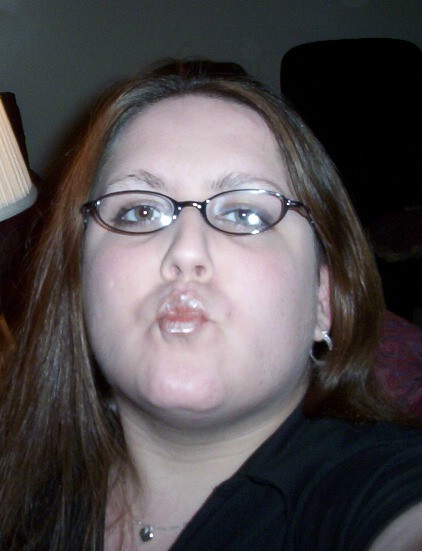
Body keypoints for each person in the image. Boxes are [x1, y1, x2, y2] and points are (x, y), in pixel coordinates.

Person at [0, 59, 421, 551]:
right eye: (139, 210)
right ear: (79, 283)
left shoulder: (378, 488)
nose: (186, 250)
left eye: (244, 213)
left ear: (322, 300)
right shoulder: (19, 485)